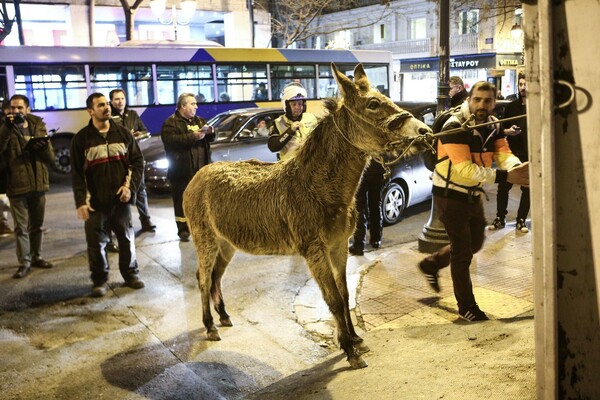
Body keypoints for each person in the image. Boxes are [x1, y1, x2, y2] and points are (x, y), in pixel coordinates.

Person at [417, 81, 529, 322]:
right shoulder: (454, 126)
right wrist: (505, 175)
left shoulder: (492, 124)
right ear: (469, 99)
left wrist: (516, 166)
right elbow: (464, 170)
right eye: (477, 99)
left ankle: (431, 264)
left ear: (494, 101)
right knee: (462, 252)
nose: (482, 105)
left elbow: (502, 152)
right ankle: (467, 307)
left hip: (473, 194)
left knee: (475, 243)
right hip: (449, 195)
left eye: (487, 100)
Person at [71, 93, 146, 297]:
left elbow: (137, 162)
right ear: (90, 111)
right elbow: (77, 174)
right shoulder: (81, 139)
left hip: (119, 201)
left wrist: (129, 188)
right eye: (101, 105)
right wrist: (81, 201)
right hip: (94, 203)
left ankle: (131, 275)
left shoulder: (123, 133)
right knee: (96, 244)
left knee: (126, 239)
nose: (107, 108)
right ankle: (99, 280)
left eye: (107, 104)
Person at [0, 94, 55, 278]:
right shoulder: (4, 127)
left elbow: (51, 158)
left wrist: (43, 146)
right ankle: (24, 262)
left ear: (28, 109)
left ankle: (37, 256)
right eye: (12, 108)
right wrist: (7, 128)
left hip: (39, 183)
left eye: (19, 108)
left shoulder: (37, 124)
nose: (15, 111)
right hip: (17, 184)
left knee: (37, 225)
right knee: (20, 228)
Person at [160, 93, 215, 241]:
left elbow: (211, 139)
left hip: (201, 171)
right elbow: (170, 141)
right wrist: (193, 137)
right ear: (183, 106)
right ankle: (183, 230)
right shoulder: (170, 123)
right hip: (181, 172)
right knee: (181, 201)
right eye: (192, 103)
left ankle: (203, 227)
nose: (196, 106)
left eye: (195, 104)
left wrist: (211, 132)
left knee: (202, 201)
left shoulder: (199, 120)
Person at [109, 89, 156, 235]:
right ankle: (123, 224)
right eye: (116, 99)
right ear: (111, 101)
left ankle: (146, 221)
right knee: (120, 193)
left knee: (140, 190)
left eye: (122, 98)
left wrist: (137, 134)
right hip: (118, 161)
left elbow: (145, 131)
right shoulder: (109, 117)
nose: (120, 101)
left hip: (134, 158)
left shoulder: (133, 115)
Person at [489, 73, 530, 233]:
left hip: (529, 155)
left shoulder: (538, 106)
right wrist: (509, 131)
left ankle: (521, 220)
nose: (523, 87)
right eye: (520, 84)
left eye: (525, 84)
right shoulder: (512, 107)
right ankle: (500, 218)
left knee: (527, 189)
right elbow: (502, 131)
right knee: (503, 187)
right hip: (511, 155)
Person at [268, 82, 318, 161]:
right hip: (289, 167)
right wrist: (289, 131)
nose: (298, 107)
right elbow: (273, 147)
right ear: (287, 106)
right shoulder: (278, 122)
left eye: (300, 104)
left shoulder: (311, 118)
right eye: (294, 104)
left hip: (310, 164)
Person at [349, 159, 386, 256]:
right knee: (376, 205)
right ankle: (376, 240)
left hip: (362, 170)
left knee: (360, 208)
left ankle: (359, 245)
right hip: (378, 170)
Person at [0, 100, 14, 237]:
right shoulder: (4, 124)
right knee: (4, 197)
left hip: (7, 165)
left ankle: (3, 224)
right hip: (2, 166)